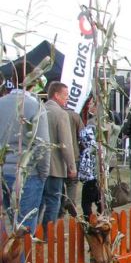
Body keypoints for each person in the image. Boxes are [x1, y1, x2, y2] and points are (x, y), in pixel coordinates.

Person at [0, 83, 50, 233]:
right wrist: (44, 173)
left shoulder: (1, 102)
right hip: (28, 173)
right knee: (24, 231)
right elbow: (43, 145)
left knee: (8, 227)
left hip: (3, 171)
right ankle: (22, 258)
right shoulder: (36, 107)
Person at [42, 81, 78, 235]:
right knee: (53, 201)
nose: (67, 99)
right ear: (56, 95)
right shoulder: (61, 114)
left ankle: (35, 231)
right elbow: (66, 144)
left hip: (38, 166)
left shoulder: (40, 110)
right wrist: (71, 166)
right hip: (55, 166)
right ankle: (48, 232)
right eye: (65, 96)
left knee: (39, 201)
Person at [77, 97, 102, 217]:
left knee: (86, 201)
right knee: (99, 198)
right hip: (99, 167)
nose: (90, 106)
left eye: (92, 104)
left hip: (92, 168)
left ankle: (90, 221)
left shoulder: (92, 124)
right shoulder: (104, 120)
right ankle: (100, 217)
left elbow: (86, 140)